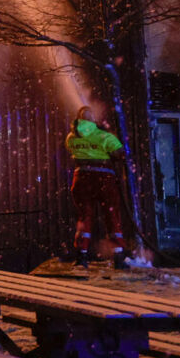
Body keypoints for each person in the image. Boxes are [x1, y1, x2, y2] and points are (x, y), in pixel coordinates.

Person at [65, 106, 128, 269]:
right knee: (112, 216)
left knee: (84, 217)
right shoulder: (105, 136)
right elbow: (120, 154)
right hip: (104, 178)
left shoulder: (71, 137)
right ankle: (118, 256)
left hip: (81, 178)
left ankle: (81, 256)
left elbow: (73, 150)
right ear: (92, 119)